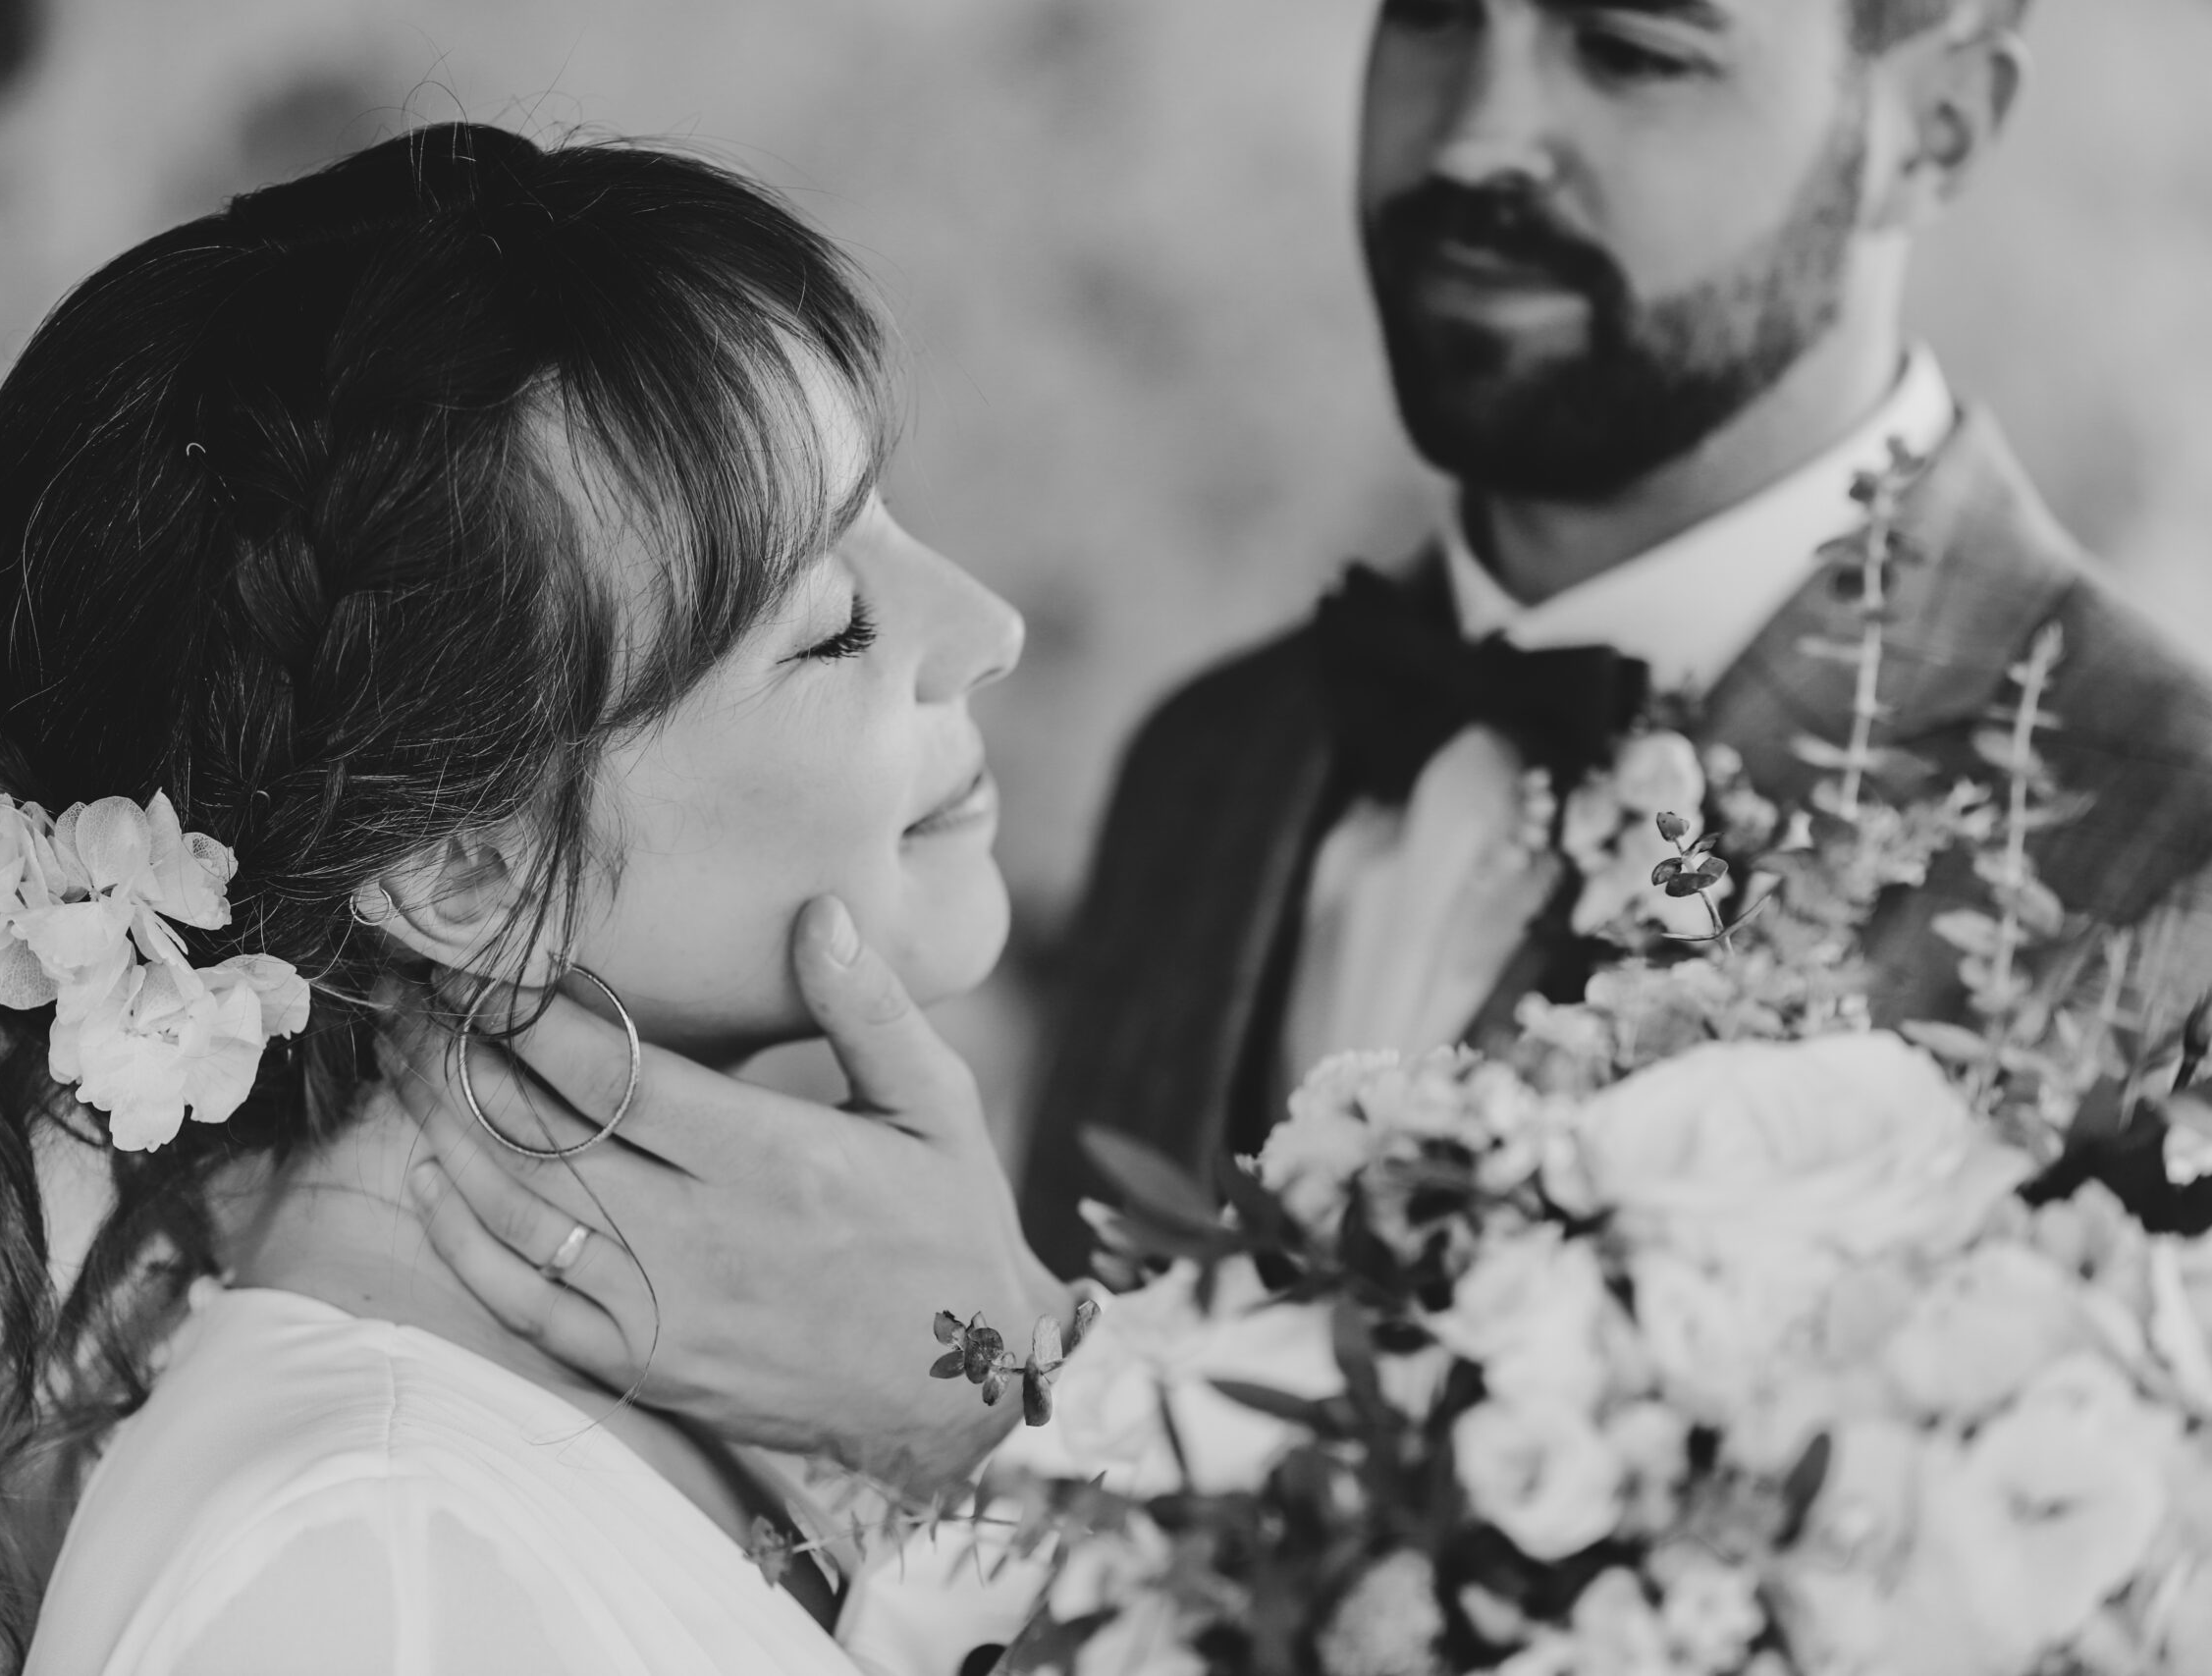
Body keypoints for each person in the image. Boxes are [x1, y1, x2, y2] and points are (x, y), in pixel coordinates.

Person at [396, 0, 2212, 1505]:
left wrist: (994, 1392)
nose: (1477, 134)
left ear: (1938, 123)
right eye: (1431, 16)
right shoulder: (1219, 766)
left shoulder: (2175, 865)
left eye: (1633, 49)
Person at [0, 123, 1049, 1676]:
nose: (990, 629)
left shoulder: (757, 1364)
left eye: (889, 521)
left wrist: (994, 1386)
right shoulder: (372, 1558)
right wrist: (1021, 1404)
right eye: (831, 626)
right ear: (457, 874)